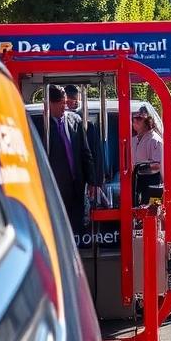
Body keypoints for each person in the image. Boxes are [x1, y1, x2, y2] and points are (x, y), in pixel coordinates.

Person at [36, 85, 100, 235]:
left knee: (76, 226)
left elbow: (85, 151)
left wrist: (92, 180)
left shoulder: (75, 120)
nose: (64, 107)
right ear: (49, 104)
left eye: (65, 102)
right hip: (54, 188)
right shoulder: (39, 125)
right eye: (61, 103)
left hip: (76, 184)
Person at [129, 106, 165, 207]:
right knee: (136, 207)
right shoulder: (133, 140)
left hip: (153, 181)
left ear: (147, 122)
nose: (135, 122)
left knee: (152, 209)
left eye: (139, 119)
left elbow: (157, 165)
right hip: (137, 179)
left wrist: (141, 167)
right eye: (134, 119)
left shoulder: (155, 140)